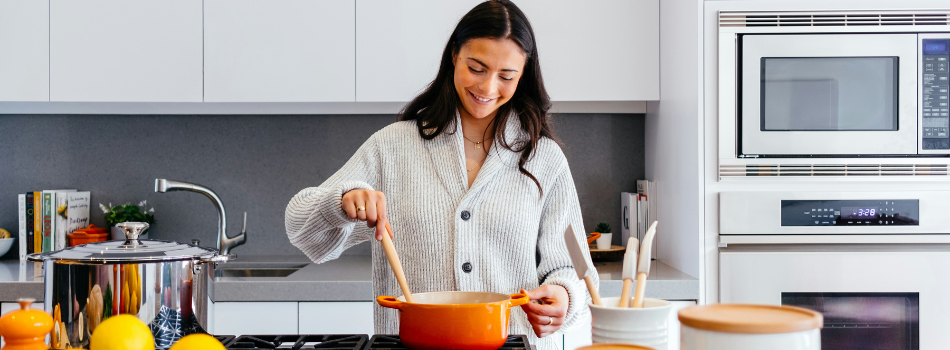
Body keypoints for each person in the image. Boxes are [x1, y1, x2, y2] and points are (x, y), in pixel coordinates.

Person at [285, 1, 597, 348]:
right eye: (476, 68)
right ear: (454, 55)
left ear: (523, 75)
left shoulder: (543, 158)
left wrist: (564, 296)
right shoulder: (393, 147)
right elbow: (301, 229)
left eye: (506, 76)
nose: (489, 87)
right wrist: (341, 201)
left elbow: (574, 270)